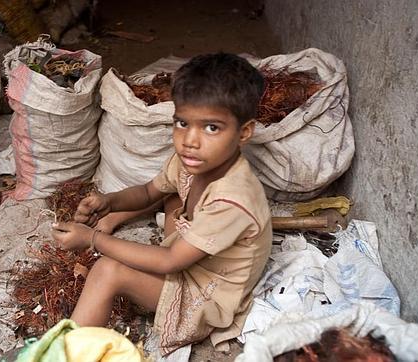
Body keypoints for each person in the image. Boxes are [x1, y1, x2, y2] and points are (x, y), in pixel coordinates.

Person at [51, 53, 272, 355]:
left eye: (211, 128)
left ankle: (66, 356)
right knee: (171, 192)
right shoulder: (192, 163)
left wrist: (92, 239)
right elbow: (147, 193)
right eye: (182, 123)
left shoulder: (234, 198)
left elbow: (170, 261)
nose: (190, 141)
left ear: (244, 132)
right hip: (189, 252)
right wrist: (109, 203)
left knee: (108, 270)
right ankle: (112, 221)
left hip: (207, 295)